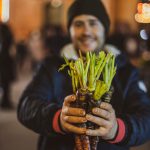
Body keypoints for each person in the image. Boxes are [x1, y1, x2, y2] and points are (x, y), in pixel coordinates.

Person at [17, 0, 150, 150]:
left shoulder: (125, 70)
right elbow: (26, 106)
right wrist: (58, 119)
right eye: (78, 24)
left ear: (104, 29)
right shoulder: (52, 65)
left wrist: (116, 129)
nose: (86, 32)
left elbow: (146, 118)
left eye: (93, 23)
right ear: (70, 30)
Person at [0, 23, 15, 109]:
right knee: (6, 83)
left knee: (5, 83)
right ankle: (5, 101)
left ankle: (5, 101)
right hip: (5, 62)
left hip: (4, 62)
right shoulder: (5, 34)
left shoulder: (4, 34)